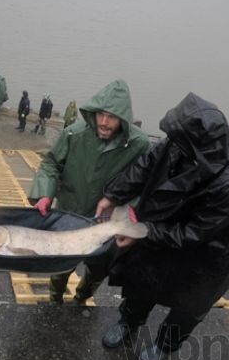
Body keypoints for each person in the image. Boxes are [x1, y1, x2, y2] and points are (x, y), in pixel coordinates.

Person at [96, 93, 229, 360]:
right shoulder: (182, 139)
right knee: (142, 282)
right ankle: (129, 322)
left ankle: (165, 344)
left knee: (187, 307)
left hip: (210, 254)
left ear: (197, 145)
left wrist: (140, 231)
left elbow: (193, 234)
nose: (171, 140)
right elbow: (146, 165)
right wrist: (114, 194)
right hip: (164, 228)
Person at [28, 80, 150, 305]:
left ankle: (82, 297)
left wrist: (131, 208)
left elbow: (143, 181)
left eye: (112, 117)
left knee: (99, 268)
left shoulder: (139, 144)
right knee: (62, 263)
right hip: (69, 213)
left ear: (123, 119)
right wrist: (45, 193)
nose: (103, 122)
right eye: (100, 114)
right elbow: (52, 164)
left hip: (106, 222)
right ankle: (55, 298)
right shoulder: (74, 134)